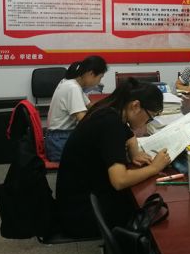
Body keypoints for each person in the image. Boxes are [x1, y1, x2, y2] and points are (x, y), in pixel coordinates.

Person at [56, 78, 171, 237]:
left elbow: (130, 137)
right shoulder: (111, 124)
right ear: (136, 106)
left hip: (75, 199)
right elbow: (119, 180)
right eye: (150, 117)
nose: (148, 122)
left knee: (140, 199)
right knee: (149, 211)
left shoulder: (110, 109)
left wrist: (134, 153)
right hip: (82, 213)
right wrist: (154, 168)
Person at [45, 56, 108, 162]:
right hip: (60, 141)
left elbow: (91, 106)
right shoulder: (72, 88)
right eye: (100, 77)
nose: (99, 82)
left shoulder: (69, 83)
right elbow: (83, 119)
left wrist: (108, 112)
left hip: (58, 137)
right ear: (91, 74)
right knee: (98, 155)